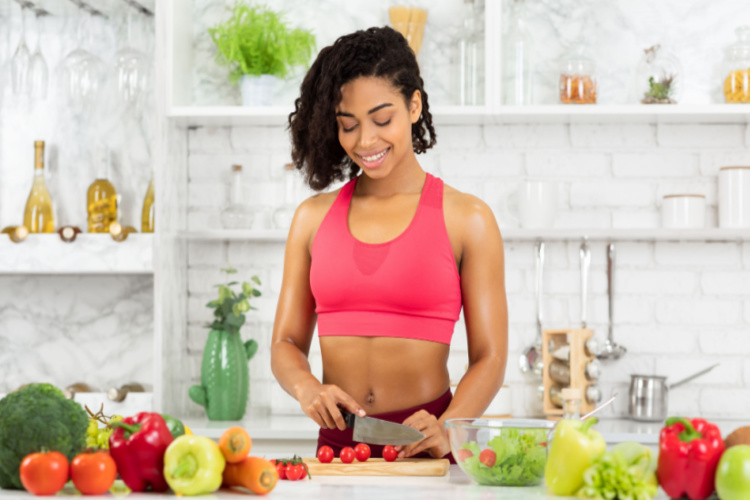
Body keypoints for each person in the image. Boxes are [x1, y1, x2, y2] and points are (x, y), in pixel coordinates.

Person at [271, 26, 508, 461]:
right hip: (338, 450)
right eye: (348, 125)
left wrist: (451, 427)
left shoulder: (468, 219)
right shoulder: (311, 219)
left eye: (382, 120)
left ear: (413, 105)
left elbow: (490, 356)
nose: (366, 141)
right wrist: (307, 387)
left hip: (427, 446)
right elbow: (285, 342)